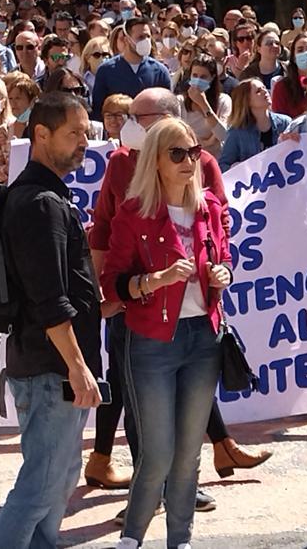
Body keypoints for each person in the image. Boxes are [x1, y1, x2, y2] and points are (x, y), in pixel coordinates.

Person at [89, 88, 271, 518]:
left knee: (187, 403)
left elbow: (220, 226)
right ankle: (147, 488)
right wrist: (108, 291)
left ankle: (184, 486)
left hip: (194, 317)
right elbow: (102, 228)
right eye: (126, 115)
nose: (127, 123)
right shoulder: (119, 164)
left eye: (139, 115)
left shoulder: (204, 166)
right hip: (137, 309)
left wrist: (221, 271)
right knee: (140, 406)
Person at [103, 118, 231, 549]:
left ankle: (180, 539)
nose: (189, 161)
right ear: (155, 161)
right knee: (156, 453)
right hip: (152, 342)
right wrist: (153, 281)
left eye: (194, 152)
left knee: (188, 452)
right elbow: (113, 282)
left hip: (203, 339)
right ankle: (132, 537)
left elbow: (226, 256)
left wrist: (221, 273)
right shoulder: (134, 211)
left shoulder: (209, 207)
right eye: (177, 154)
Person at [0, 92, 104, 549]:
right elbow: (48, 298)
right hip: (49, 368)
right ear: (40, 135)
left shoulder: (47, 196)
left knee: (59, 479)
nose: (84, 142)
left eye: (85, 132)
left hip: (50, 366)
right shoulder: (39, 203)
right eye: (73, 133)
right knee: (41, 482)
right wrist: (76, 367)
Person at [91, 16, 171, 119]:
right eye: (140, 37)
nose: (146, 41)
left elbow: (168, 108)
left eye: (148, 36)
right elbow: (98, 109)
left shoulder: (160, 71)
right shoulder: (106, 70)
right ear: (127, 39)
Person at [220, 78, 290, 171]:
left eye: (264, 88)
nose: (265, 91)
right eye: (258, 91)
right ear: (247, 101)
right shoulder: (236, 132)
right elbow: (223, 165)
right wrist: (238, 168)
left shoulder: (285, 122)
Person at [0, 72, 40, 187]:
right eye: (11, 98)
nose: (13, 103)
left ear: (32, 101)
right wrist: (7, 170)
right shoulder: (4, 131)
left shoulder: (44, 130)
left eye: (18, 98)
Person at [179, 53, 230, 158]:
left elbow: (224, 135)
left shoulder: (223, 101)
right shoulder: (179, 102)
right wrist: (206, 142)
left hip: (215, 158)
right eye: (195, 76)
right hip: (188, 157)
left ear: (212, 78)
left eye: (203, 77)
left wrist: (204, 104)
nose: (198, 80)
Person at [271, 34, 307, 119]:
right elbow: (281, 123)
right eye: (300, 50)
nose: (306, 53)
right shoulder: (282, 87)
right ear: (294, 57)